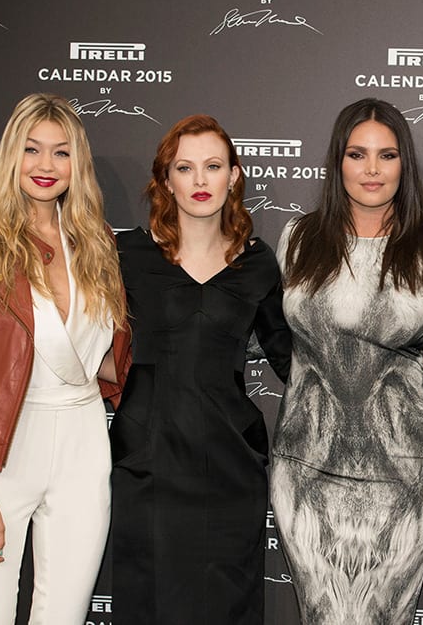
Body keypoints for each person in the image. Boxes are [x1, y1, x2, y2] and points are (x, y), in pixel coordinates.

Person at [270, 97, 423, 624]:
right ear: (337, 162)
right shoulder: (298, 241)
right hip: (305, 474)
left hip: (404, 480)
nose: (371, 169)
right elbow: (264, 336)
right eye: (357, 154)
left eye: (386, 155)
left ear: (403, 165)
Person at [109, 115, 292, 624]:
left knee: (226, 608)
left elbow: (292, 360)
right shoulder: (125, 255)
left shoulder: (257, 263)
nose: (199, 181)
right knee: (148, 604)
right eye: (184, 168)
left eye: (212, 166)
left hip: (230, 464)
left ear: (233, 176)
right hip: (147, 459)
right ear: (165, 179)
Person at [0, 92, 128, 624]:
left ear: (78, 163)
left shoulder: (95, 245)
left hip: (82, 439)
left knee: (65, 614)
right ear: (11, 157)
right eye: (32, 150)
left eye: (61, 152)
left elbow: (97, 358)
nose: (46, 166)